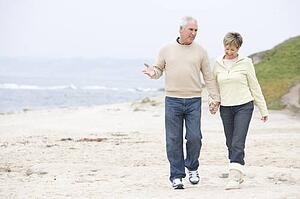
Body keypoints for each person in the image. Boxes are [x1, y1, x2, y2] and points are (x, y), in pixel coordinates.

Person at [142, 16, 220, 189]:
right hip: (173, 101)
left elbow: (208, 76)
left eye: (196, 30)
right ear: (181, 29)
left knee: (194, 138)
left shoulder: (200, 51)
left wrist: (215, 98)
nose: (193, 33)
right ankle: (176, 176)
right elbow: (158, 70)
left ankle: (192, 167)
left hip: (193, 100)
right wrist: (152, 72)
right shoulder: (166, 49)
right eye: (191, 30)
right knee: (173, 140)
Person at [211, 32, 268, 190]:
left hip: (244, 105)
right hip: (226, 107)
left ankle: (234, 177)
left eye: (233, 49)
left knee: (237, 142)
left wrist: (263, 109)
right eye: (227, 48)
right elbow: (213, 87)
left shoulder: (246, 62)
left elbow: (254, 86)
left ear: (238, 48)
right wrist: (213, 102)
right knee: (230, 142)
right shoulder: (217, 63)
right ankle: (237, 170)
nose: (229, 52)